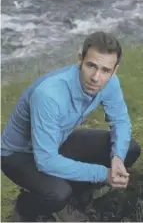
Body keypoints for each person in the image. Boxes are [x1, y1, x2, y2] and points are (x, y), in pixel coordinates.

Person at [1, 31, 141, 222]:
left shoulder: (109, 83)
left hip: (56, 141)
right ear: (80, 59)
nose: (96, 77)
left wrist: (117, 158)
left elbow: (120, 121)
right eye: (91, 65)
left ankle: (72, 198)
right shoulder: (49, 94)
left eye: (106, 70)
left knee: (129, 149)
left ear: (114, 70)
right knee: (58, 193)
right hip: (18, 155)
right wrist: (103, 174)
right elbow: (46, 160)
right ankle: (26, 207)